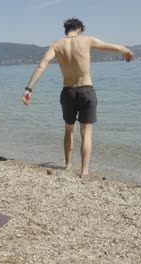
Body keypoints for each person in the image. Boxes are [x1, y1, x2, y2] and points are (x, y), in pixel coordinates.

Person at [22, 18, 133, 176]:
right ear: (79, 28)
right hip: (86, 90)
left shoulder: (57, 45)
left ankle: (68, 165)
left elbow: (42, 65)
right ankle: (84, 171)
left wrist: (29, 89)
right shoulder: (86, 40)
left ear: (66, 30)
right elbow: (112, 47)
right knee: (86, 132)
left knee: (69, 130)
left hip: (68, 92)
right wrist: (126, 50)